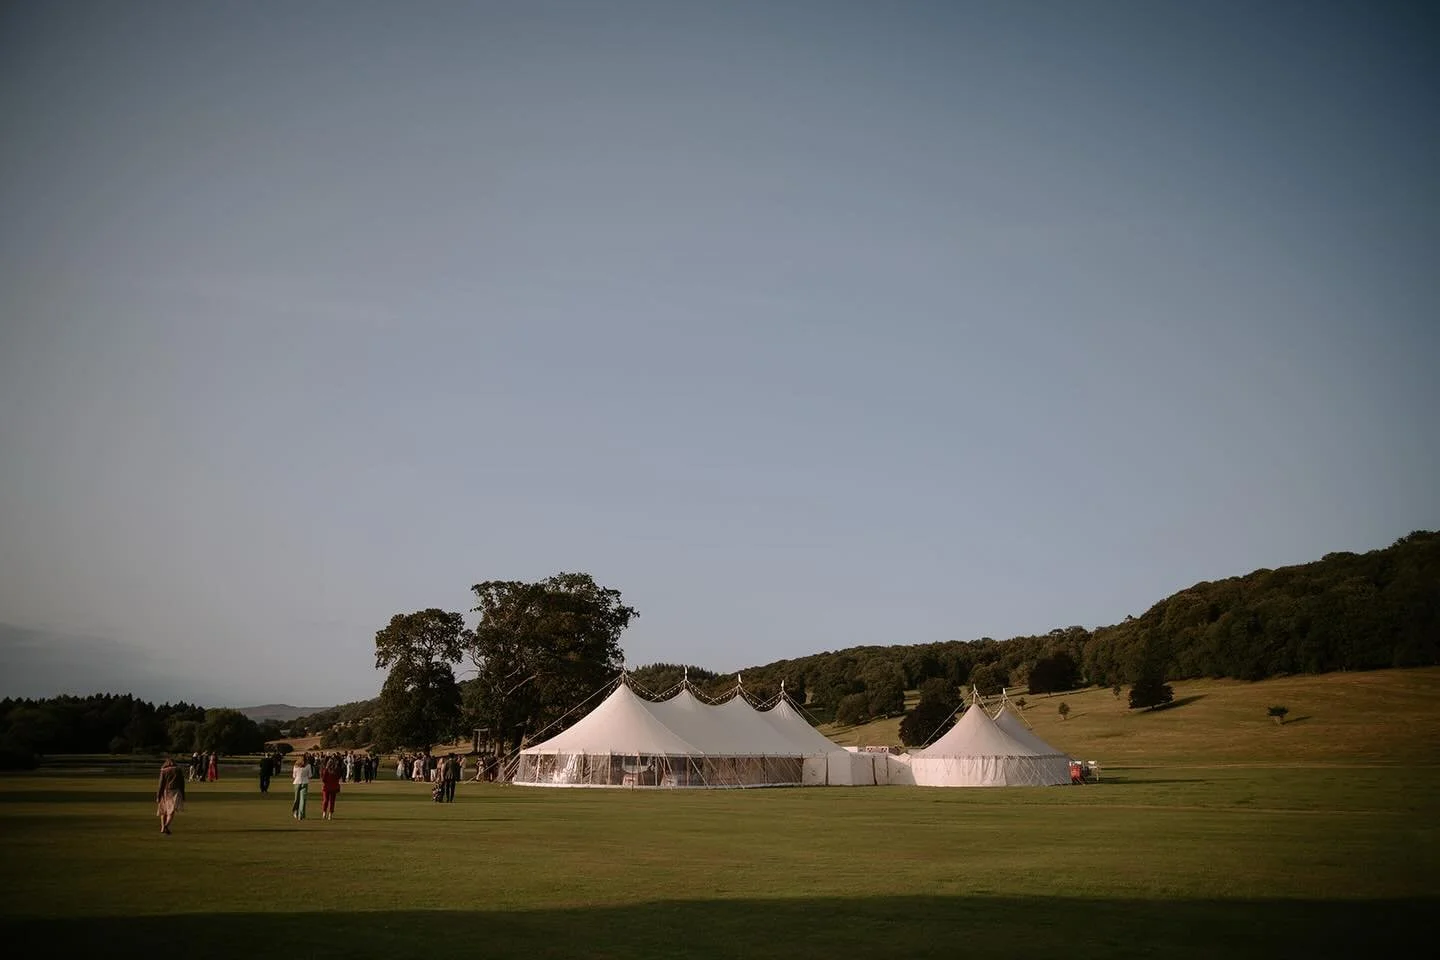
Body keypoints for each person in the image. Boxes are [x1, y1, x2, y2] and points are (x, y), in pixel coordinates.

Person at [155, 756, 186, 836]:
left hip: (165, 791)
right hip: (175, 791)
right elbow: (182, 783)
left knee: (163, 811)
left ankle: (163, 827)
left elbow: (161, 784)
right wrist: (183, 794)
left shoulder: (163, 771)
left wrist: (158, 795)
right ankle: (166, 826)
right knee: (171, 811)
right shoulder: (178, 770)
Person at [291, 755, 311, 820]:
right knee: (303, 800)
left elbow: (294, 776)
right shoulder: (308, 766)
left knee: (296, 798)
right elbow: (310, 775)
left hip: (297, 782)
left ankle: (295, 812)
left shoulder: (295, 766)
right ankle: (300, 815)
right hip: (304, 782)